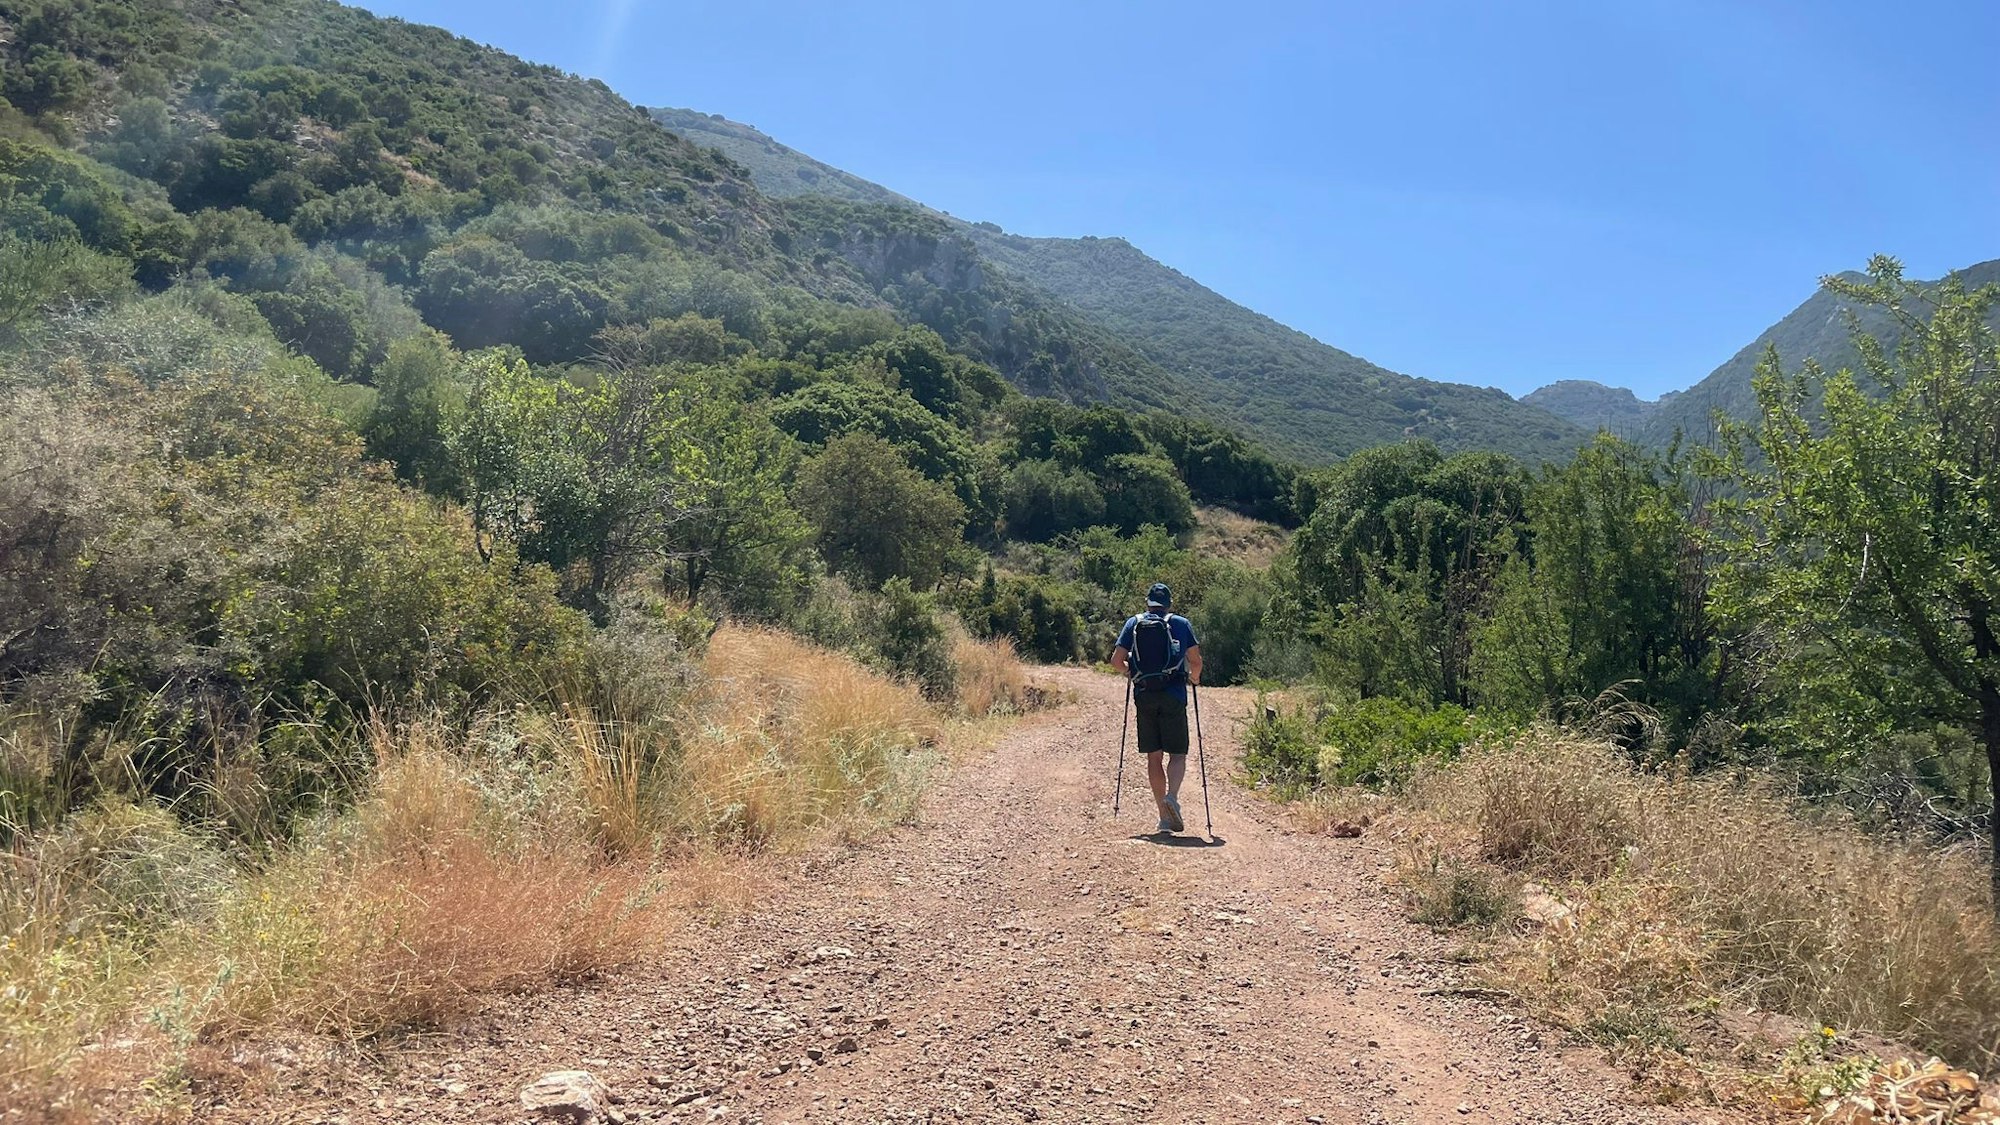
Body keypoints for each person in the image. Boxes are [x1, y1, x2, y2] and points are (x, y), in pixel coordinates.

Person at [1111, 582, 1202, 833]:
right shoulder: (1181, 624)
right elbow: (1195, 660)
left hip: (1145, 695)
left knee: (1154, 756)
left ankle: (1163, 817)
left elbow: (1116, 661)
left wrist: (1134, 673)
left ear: (1148, 602)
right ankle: (1171, 796)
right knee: (1178, 753)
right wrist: (1194, 678)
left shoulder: (1134, 623)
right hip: (1173, 694)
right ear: (1169, 603)